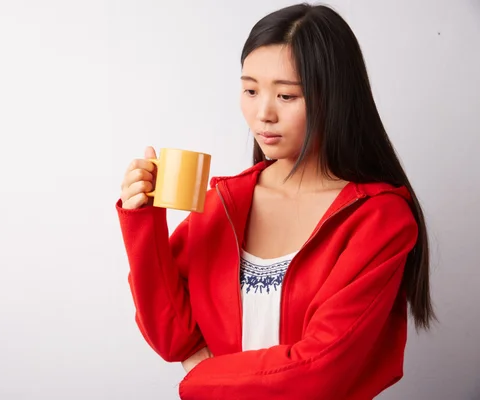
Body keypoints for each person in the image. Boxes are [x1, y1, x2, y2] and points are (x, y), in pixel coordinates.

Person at [116, 3, 435, 399]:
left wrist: (204, 377)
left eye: (286, 95)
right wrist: (142, 220)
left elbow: (320, 370)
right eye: (250, 90)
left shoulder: (379, 219)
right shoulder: (225, 201)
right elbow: (172, 336)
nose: (262, 113)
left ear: (334, 98)